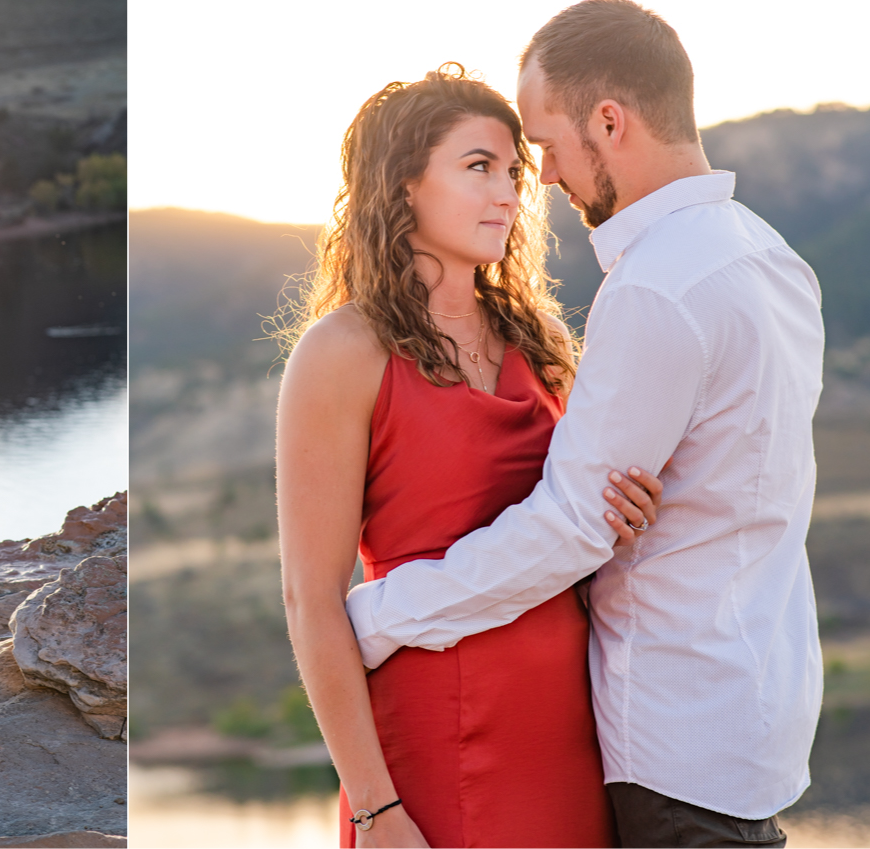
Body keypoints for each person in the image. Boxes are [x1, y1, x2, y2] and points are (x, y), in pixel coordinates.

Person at [344, 0, 825, 848]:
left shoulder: (655, 286)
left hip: (672, 731)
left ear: (610, 121)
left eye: (548, 150)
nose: (548, 180)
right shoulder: (773, 260)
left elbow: (572, 525)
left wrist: (377, 618)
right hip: (755, 714)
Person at [278, 63, 663, 847]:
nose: (507, 193)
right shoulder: (342, 352)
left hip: (568, 730)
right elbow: (310, 602)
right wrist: (375, 807)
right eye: (478, 167)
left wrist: (629, 517)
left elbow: (574, 520)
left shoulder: (540, 344)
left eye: (514, 172)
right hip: (428, 737)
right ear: (406, 185)